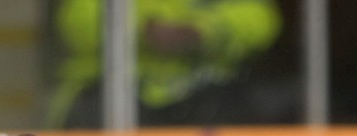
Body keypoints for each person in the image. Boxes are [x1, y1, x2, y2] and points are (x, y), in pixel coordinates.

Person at [50, 0, 283, 128]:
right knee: (91, 115)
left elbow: (262, 18)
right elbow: (75, 20)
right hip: (111, 96)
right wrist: (140, 31)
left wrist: (205, 32)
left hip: (208, 95)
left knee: (244, 112)